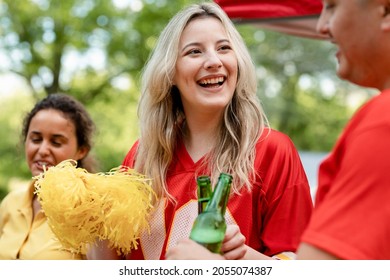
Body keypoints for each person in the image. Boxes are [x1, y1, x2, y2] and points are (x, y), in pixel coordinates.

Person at [88, 2, 313, 260]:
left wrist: (238, 260)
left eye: (224, 48)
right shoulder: (140, 157)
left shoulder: (273, 150)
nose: (214, 61)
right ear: (170, 71)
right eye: (194, 52)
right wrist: (93, 229)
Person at [295, 0, 390, 260]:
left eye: (333, 7)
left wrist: (206, 269)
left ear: (386, 10)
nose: (321, 26)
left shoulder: (383, 122)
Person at [0, 93, 96, 259]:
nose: (43, 150)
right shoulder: (11, 202)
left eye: (56, 142)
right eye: (36, 139)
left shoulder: (91, 213)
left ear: (81, 150)